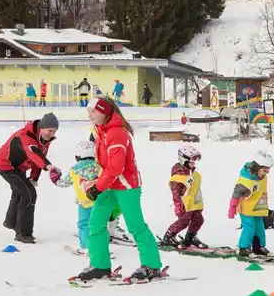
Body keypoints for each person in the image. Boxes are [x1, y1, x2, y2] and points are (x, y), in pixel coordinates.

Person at [75, 98, 164, 282]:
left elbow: (116, 167)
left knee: (135, 226)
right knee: (95, 224)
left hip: (126, 186)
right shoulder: (102, 131)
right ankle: (100, 265)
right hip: (108, 184)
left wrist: (97, 187)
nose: (89, 115)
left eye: (93, 111)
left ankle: (152, 266)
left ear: (104, 112)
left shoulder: (117, 133)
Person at [0, 112, 60, 243]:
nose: (51, 134)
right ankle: (23, 234)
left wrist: (34, 178)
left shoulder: (45, 139)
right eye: (50, 130)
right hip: (6, 165)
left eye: (54, 131)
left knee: (21, 191)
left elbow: (38, 158)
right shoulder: (26, 136)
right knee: (29, 194)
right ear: (42, 127)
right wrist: (48, 166)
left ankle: (11, 222)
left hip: (19, 168)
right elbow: (34, 153)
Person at [49, 140, 100, 254]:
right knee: (100, 225)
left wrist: (55, 179)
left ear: (77, 157)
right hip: (100, 202)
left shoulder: (74, 171)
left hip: (85, 203)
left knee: (84, 224)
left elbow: (63, 183)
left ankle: (86, 247)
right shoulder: (99, 167)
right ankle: (101, 247)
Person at [159, 144, 207, 249]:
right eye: (191, 162)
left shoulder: (193, 173)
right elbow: (176, 193)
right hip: (184, 204)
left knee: (199, 220)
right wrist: (177, 205)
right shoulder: (178, 176)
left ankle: (190, 237)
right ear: (183, 160)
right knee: (184, 222)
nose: (193, 164)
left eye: (194, 162)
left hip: (194, 204)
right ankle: (169, 236)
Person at [228, 150, 274, 258]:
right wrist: (232, 208)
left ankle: (258, 247)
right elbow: (236, 194)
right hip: (246, 209)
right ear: (256, 167)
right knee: (249, 226)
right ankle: (243, 247)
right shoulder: (246, 180)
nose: (266, 173)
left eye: (268, 171)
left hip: (257, 209)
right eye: (264, 170)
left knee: (260, 227)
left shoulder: (262, 177)